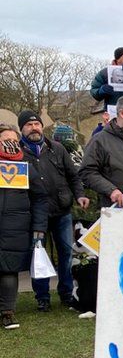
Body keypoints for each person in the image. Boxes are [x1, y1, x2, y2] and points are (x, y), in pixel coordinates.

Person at [18, 110, 88, 312]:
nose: (34, 128)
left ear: (42, 126)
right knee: (38, 254)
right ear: (22, 128)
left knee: (66, 251)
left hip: (62, 210)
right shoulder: (19, 153)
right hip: (34, 214)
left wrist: (80, 195)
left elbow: (73, 176)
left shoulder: (57, 148)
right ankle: (42, 296)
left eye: (37, 124)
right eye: (29, 125)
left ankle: (66, 292)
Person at [0, 125, 48, 329]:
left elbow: (39, 198)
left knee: (9, 271)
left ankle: (7, 312)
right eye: (5, 139)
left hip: (16, 227)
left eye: (13, 139)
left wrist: (39, 226)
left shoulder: (25, 165)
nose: (9, 143)